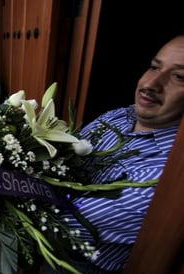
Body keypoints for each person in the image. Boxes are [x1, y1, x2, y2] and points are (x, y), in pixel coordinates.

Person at [42, 33, 184, 273]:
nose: (150, 84)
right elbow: (63, 156)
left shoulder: (168, 174)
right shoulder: (120, 115)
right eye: (153, 67)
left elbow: (66, 221)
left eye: (179, 77)